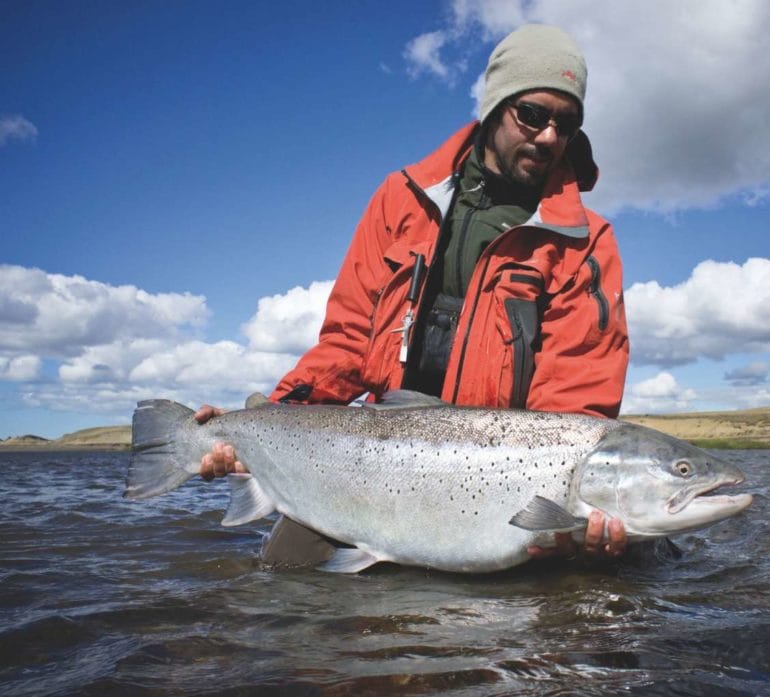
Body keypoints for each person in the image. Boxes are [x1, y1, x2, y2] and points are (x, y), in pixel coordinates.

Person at [198, 24, 630, 562]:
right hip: (378, 460)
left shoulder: (587, 242)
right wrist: (269, 422)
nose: (548, 137)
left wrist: (573, 510)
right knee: (284, 580)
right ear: (495, 105)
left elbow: (576, 398)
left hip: (497, 481)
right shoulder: (399, 199)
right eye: (533, 115)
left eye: (566, 124)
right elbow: (349, 339)